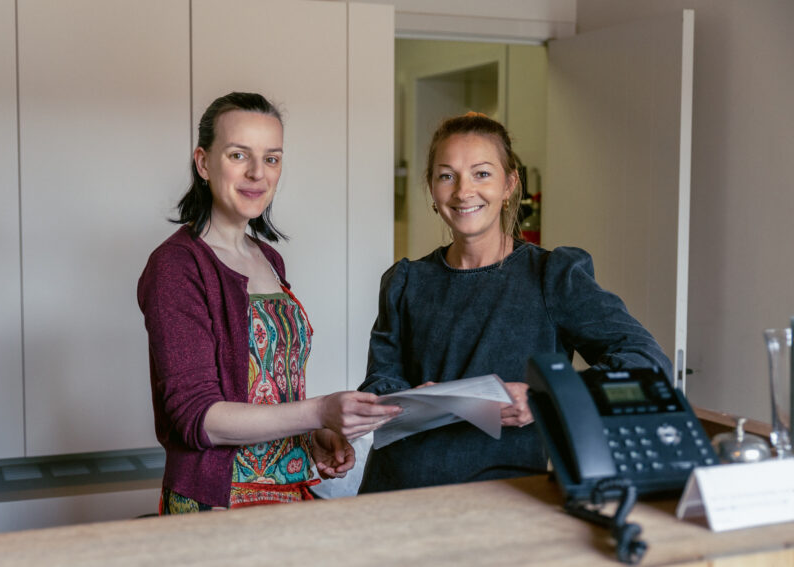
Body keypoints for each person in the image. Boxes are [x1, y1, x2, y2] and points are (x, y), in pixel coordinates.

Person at [358, 112, 672, 493]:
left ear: (509, 184)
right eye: (447, 176)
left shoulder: (553, 276)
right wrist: (407, 399)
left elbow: (648, 365)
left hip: (503, 497)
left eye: (481, 174)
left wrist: (546, 397)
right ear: (431, 188)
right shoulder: (405, 281)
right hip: (392, 493)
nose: (463, 191)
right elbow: (380, 382)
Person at [137, 92, 400, 513]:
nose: (257, 173)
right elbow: (196, 418)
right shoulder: (177, 266)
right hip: (215, 503)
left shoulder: (269, 258)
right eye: (239, 155)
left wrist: (312, 439)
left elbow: (270, 394)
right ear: (203, 162)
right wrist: (320, 411)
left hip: (288, 494)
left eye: (271, 158)